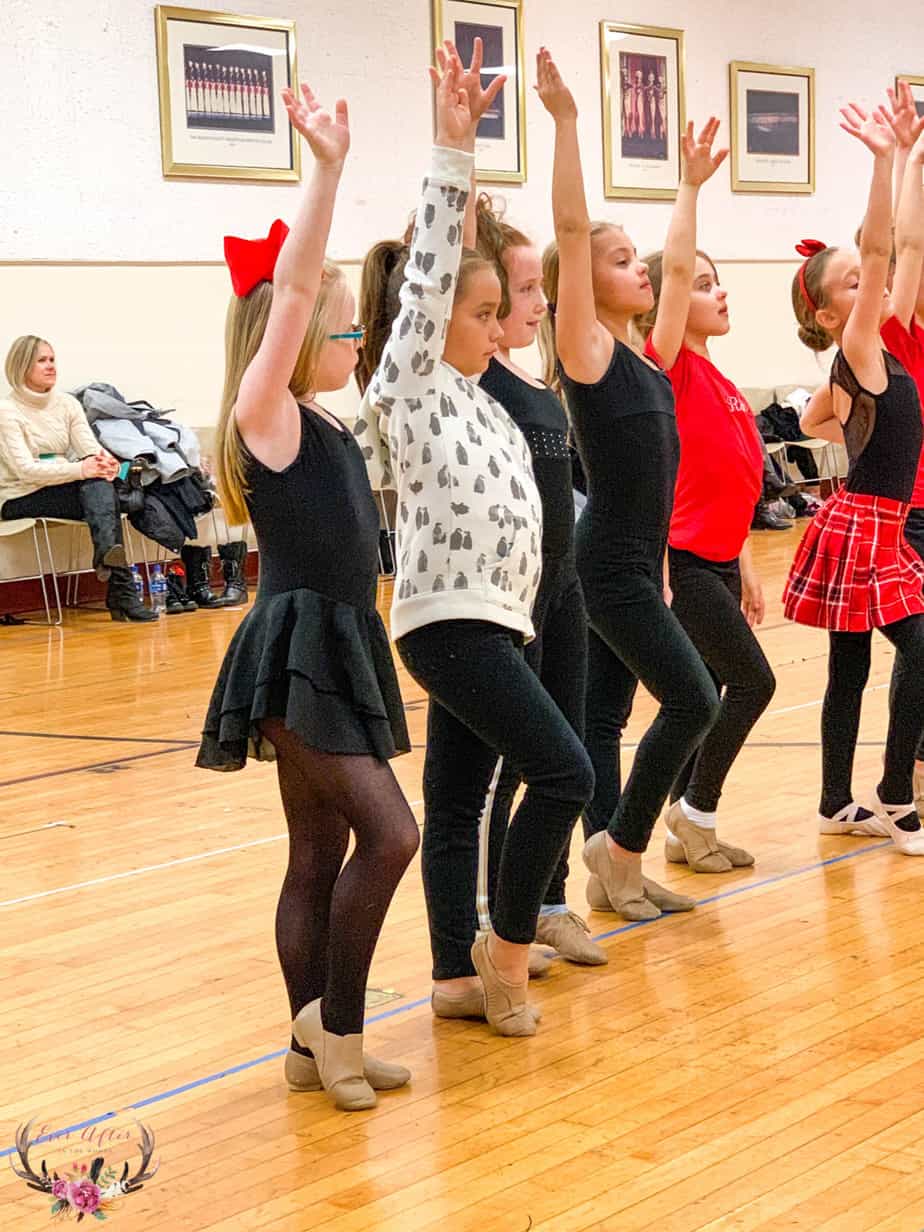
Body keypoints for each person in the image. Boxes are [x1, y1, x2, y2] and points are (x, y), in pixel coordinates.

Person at [354, 42, 594, 1036]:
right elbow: (428, 288)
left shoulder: (482, 400)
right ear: (435, 308)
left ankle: (452, 968)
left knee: (456, 795)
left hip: (492, 619)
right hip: (447, 620)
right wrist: (453, 154)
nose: (500, 329)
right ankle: (504, 946)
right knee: (566, 770)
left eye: (504, 311)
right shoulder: (410, 382)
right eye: (484, 311)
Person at [195, 81, 418, 1111]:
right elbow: (289, 297)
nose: (352, 349)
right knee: (390, 834)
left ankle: (312, 1048)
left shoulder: (325, 421)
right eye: (342, 336)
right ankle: (334, 1024)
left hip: (341, 637)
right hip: (295, 649)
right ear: (289, 343)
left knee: (318, 846)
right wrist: (325, 169)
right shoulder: (268, 413)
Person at [536, 46, 718, 922]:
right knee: (695, 697)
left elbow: (678, 269)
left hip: (642, 562)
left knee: (607, 717)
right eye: (618, 260)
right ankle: (621, 848)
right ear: (582, 282)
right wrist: (569, 123)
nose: (635, 266)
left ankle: (611, 853)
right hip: (604, 561)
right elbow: (570, 233)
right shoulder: (589, 352)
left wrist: (689, 187)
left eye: (631, 257)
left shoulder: (652, 356)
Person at [634, 119, 776, 873]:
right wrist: (690, 185)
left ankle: (680, 818)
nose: (718, 292)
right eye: (704, 282)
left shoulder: (722, 381)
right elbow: (678, 269)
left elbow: (729, 480)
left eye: (721, 282)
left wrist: (747, 563)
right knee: (753, 682)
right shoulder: (670, 370)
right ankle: (695, 815)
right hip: (682, 564)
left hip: (719, 561)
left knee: (710, 687)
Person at [783, 100, 924, 853]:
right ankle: (897, 798)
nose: (870, 283)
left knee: (849, 667)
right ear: (834, 313)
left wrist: (909, 160)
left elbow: (896, 250)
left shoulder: (879, 350)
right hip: (867, 525)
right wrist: (881, 161)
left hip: (870, 521)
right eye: (851, 284)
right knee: (916, 653)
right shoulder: (863, 346)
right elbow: (880, 253)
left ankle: (837, 800)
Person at [474, 195, 604, 965]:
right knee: (525, 765)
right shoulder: (470, 384)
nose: (541, 301)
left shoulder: (528, 376)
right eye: (525, 290)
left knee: (571, 744)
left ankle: (549, 901)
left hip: (565, 587)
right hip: (511, 596)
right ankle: (506, 912)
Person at [0, 336, 155, 622]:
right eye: (42, 361)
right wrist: (82, 469)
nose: (51, 366)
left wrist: (104, 461)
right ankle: (121, 591)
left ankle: (114, 572)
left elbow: (88, 448)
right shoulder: (6, 411)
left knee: (100, 484)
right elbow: (25, 470)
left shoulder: (67, 404)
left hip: (62, 487)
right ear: (22, 366)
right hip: (19, 495)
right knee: (98, 489)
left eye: (52, 359)